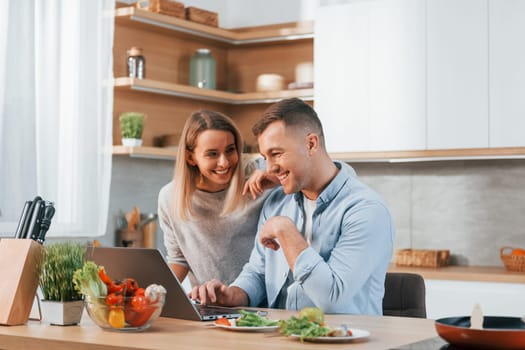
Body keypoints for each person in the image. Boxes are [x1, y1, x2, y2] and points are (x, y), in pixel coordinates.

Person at [190, 98, 395, 315]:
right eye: (265, 157)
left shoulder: (366, 210)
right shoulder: (277, 202)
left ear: (311, 144)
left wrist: (285, 230)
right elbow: (259, 273)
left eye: (276, 154)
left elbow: (332, 299)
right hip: (281, 339)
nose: (270, 167)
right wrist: (232, 295)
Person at [157, 110, 271, 288]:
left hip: (262, 302)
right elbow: (179, 259)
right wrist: (151, 293)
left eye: (230, 150)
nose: (224, 162)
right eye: (212, 154)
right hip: (211, 304)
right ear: (190, 157)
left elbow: (307, 175)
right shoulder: (170, 197)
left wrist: (275, 177)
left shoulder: (259, 178)